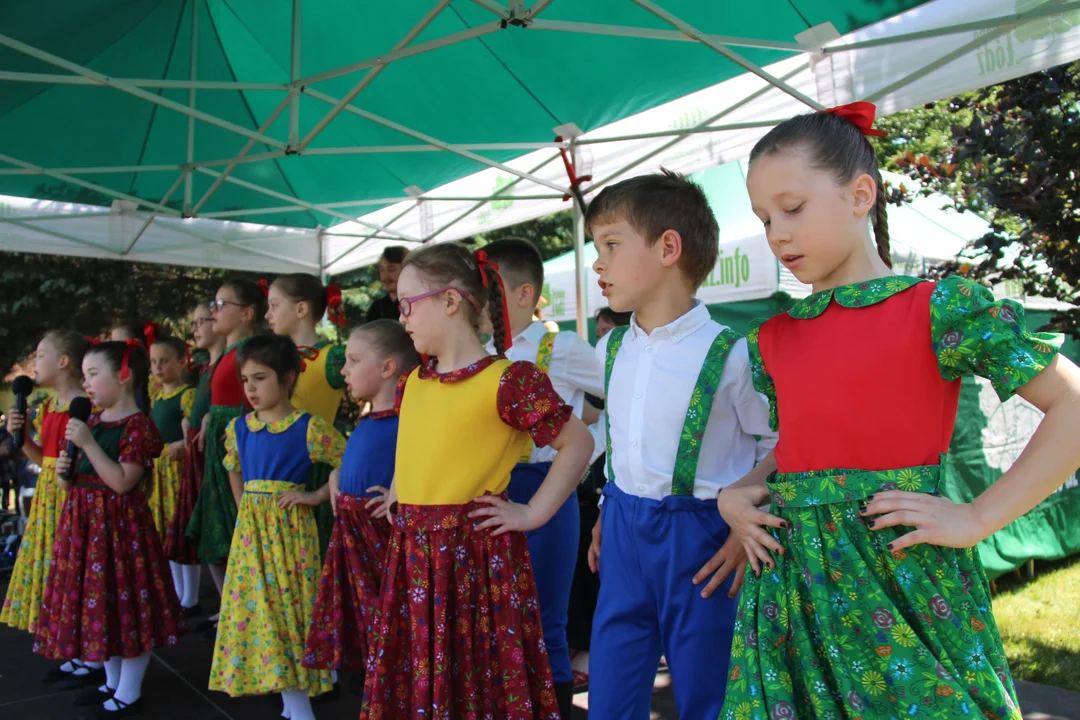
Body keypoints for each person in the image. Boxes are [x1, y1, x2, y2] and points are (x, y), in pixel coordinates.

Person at [717, 102, 1080, 720]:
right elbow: (808, 445)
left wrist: (979, 516)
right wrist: (741, 492)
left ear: (862, 195)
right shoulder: (772, 338)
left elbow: (1073, 404)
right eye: (763, 217)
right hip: (791, 594)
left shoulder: (939, 308)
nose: (776, 233)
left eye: (793, 208)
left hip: (904, 580)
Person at [360, 242, 594, 719]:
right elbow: (417, 444)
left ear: (450, 302)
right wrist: (403, 494)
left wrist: (532, 512)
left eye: (407, 304)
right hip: (415, 558)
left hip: (473, 564)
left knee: (477, 683)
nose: (399, 315)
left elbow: (578, 444)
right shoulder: (412, 382)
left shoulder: (510, 380)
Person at [585, 170, 777, 719]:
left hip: (704, 538)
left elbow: (779, 444)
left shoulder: (733, 354)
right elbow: (618, 440)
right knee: (611, 690)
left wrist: (746, 528)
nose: (598, 263)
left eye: (611, 245)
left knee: (707, 692)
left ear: (669, 246)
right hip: (623, 530)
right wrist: (606, 508)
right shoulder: (611, 349)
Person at [481, 237, 606, 718]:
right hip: (491, 492)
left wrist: (596, 459)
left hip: (548, 492)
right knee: (496, 617)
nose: (480, 302)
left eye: (488, 290)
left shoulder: (564, 347)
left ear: (524, 293)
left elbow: (621, 395)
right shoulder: (477, 350)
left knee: (546, 617)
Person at [38, 340, 186, 718]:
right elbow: (76, 479)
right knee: (101, 605)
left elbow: (122, 481)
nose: (85, 384)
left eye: (93, 374)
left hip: (120, 532)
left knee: (128, 605)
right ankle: (111, 682)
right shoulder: (90, 422)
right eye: (84, 375)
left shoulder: (138, 426)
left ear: (123, 376)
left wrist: (87, 446)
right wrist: (65, 474)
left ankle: (129, 690)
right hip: (85, 527)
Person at [208, 335, 343, 720]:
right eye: (246, 379)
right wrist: (245, 510)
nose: (249, 387)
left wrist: (316, 495)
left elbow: (348, 461)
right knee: (261, 613)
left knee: (288, 612)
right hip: (252, 536)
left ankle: (300, 709)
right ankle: (292, 707)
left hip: (290, 537)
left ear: (287, 378)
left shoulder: (308, 428)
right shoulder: (240, 427)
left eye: (260, 378)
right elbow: (233, 468)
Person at [302, 320, 418, 673]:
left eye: (353, 360)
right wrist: (338, 477)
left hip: (379, 542)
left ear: (387, 368)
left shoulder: (407, 422)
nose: (343, 370)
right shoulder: (369, 419)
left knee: (391, 639)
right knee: (367, 642)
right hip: (352, 539)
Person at [2, 332, 92, 673]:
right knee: (58, 569)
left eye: (40, 355)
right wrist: (21, 436)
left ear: (63, 361)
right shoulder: (48, 407)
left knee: (76, 569)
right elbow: (43, 459)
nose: (34, 362)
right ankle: (73, 646)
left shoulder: (86, 405)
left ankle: (88, 650)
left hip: (74, 496)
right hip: (49, 496)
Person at [185, 279, 263, 636]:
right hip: (217, 447)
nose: (214, 311)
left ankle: (246, 612)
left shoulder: (250, 352)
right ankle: (230, 605)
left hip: (236, 449)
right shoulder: (228, 354)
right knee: (216, 531)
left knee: (234, 526)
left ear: (246, 313)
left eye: (222, 304)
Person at [266, 273, 348, 553]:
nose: (267, 315)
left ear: (301, 309)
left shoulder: (333, 358)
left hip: (314, 469)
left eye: (274, 305)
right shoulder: (270, 357)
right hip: (275, 465)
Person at [164, 300, 223, 616]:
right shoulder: (205, 371)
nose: (197, 327)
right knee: (206, 535)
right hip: (197, 457)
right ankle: (223, 604)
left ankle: (227, 604)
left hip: (213, 458)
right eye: (197, 321)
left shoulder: (228, 361)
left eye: (203, 320)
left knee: (216, 532)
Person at [147, 335, 197, 613]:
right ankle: (177, 592)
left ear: (181, 362)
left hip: (176, 470)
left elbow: (190, 433)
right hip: (158, 469)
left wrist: (181, 444)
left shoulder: (186, 395)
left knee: (179, 529)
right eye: (154, 362)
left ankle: (190, 596)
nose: (158, 367)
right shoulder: (156, 396)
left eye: (164, 361)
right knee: (164, 530)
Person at [363, 246, 407, 323]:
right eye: (382, 270)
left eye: (391, 269)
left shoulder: (418, 302)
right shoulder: (377, 308)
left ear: (407, 270)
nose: (384, 277)